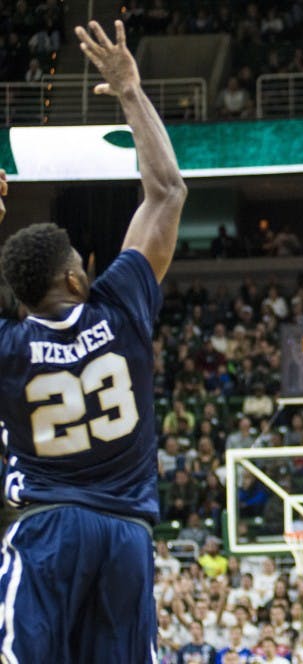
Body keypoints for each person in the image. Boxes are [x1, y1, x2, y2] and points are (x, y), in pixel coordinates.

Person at [0, 19, 186, 662]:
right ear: (79, 276)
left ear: (21, 299)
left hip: (47, 528)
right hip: (125, 536)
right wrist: (130, 90)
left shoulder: (9, 346)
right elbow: (167, 191)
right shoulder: (122, 304)